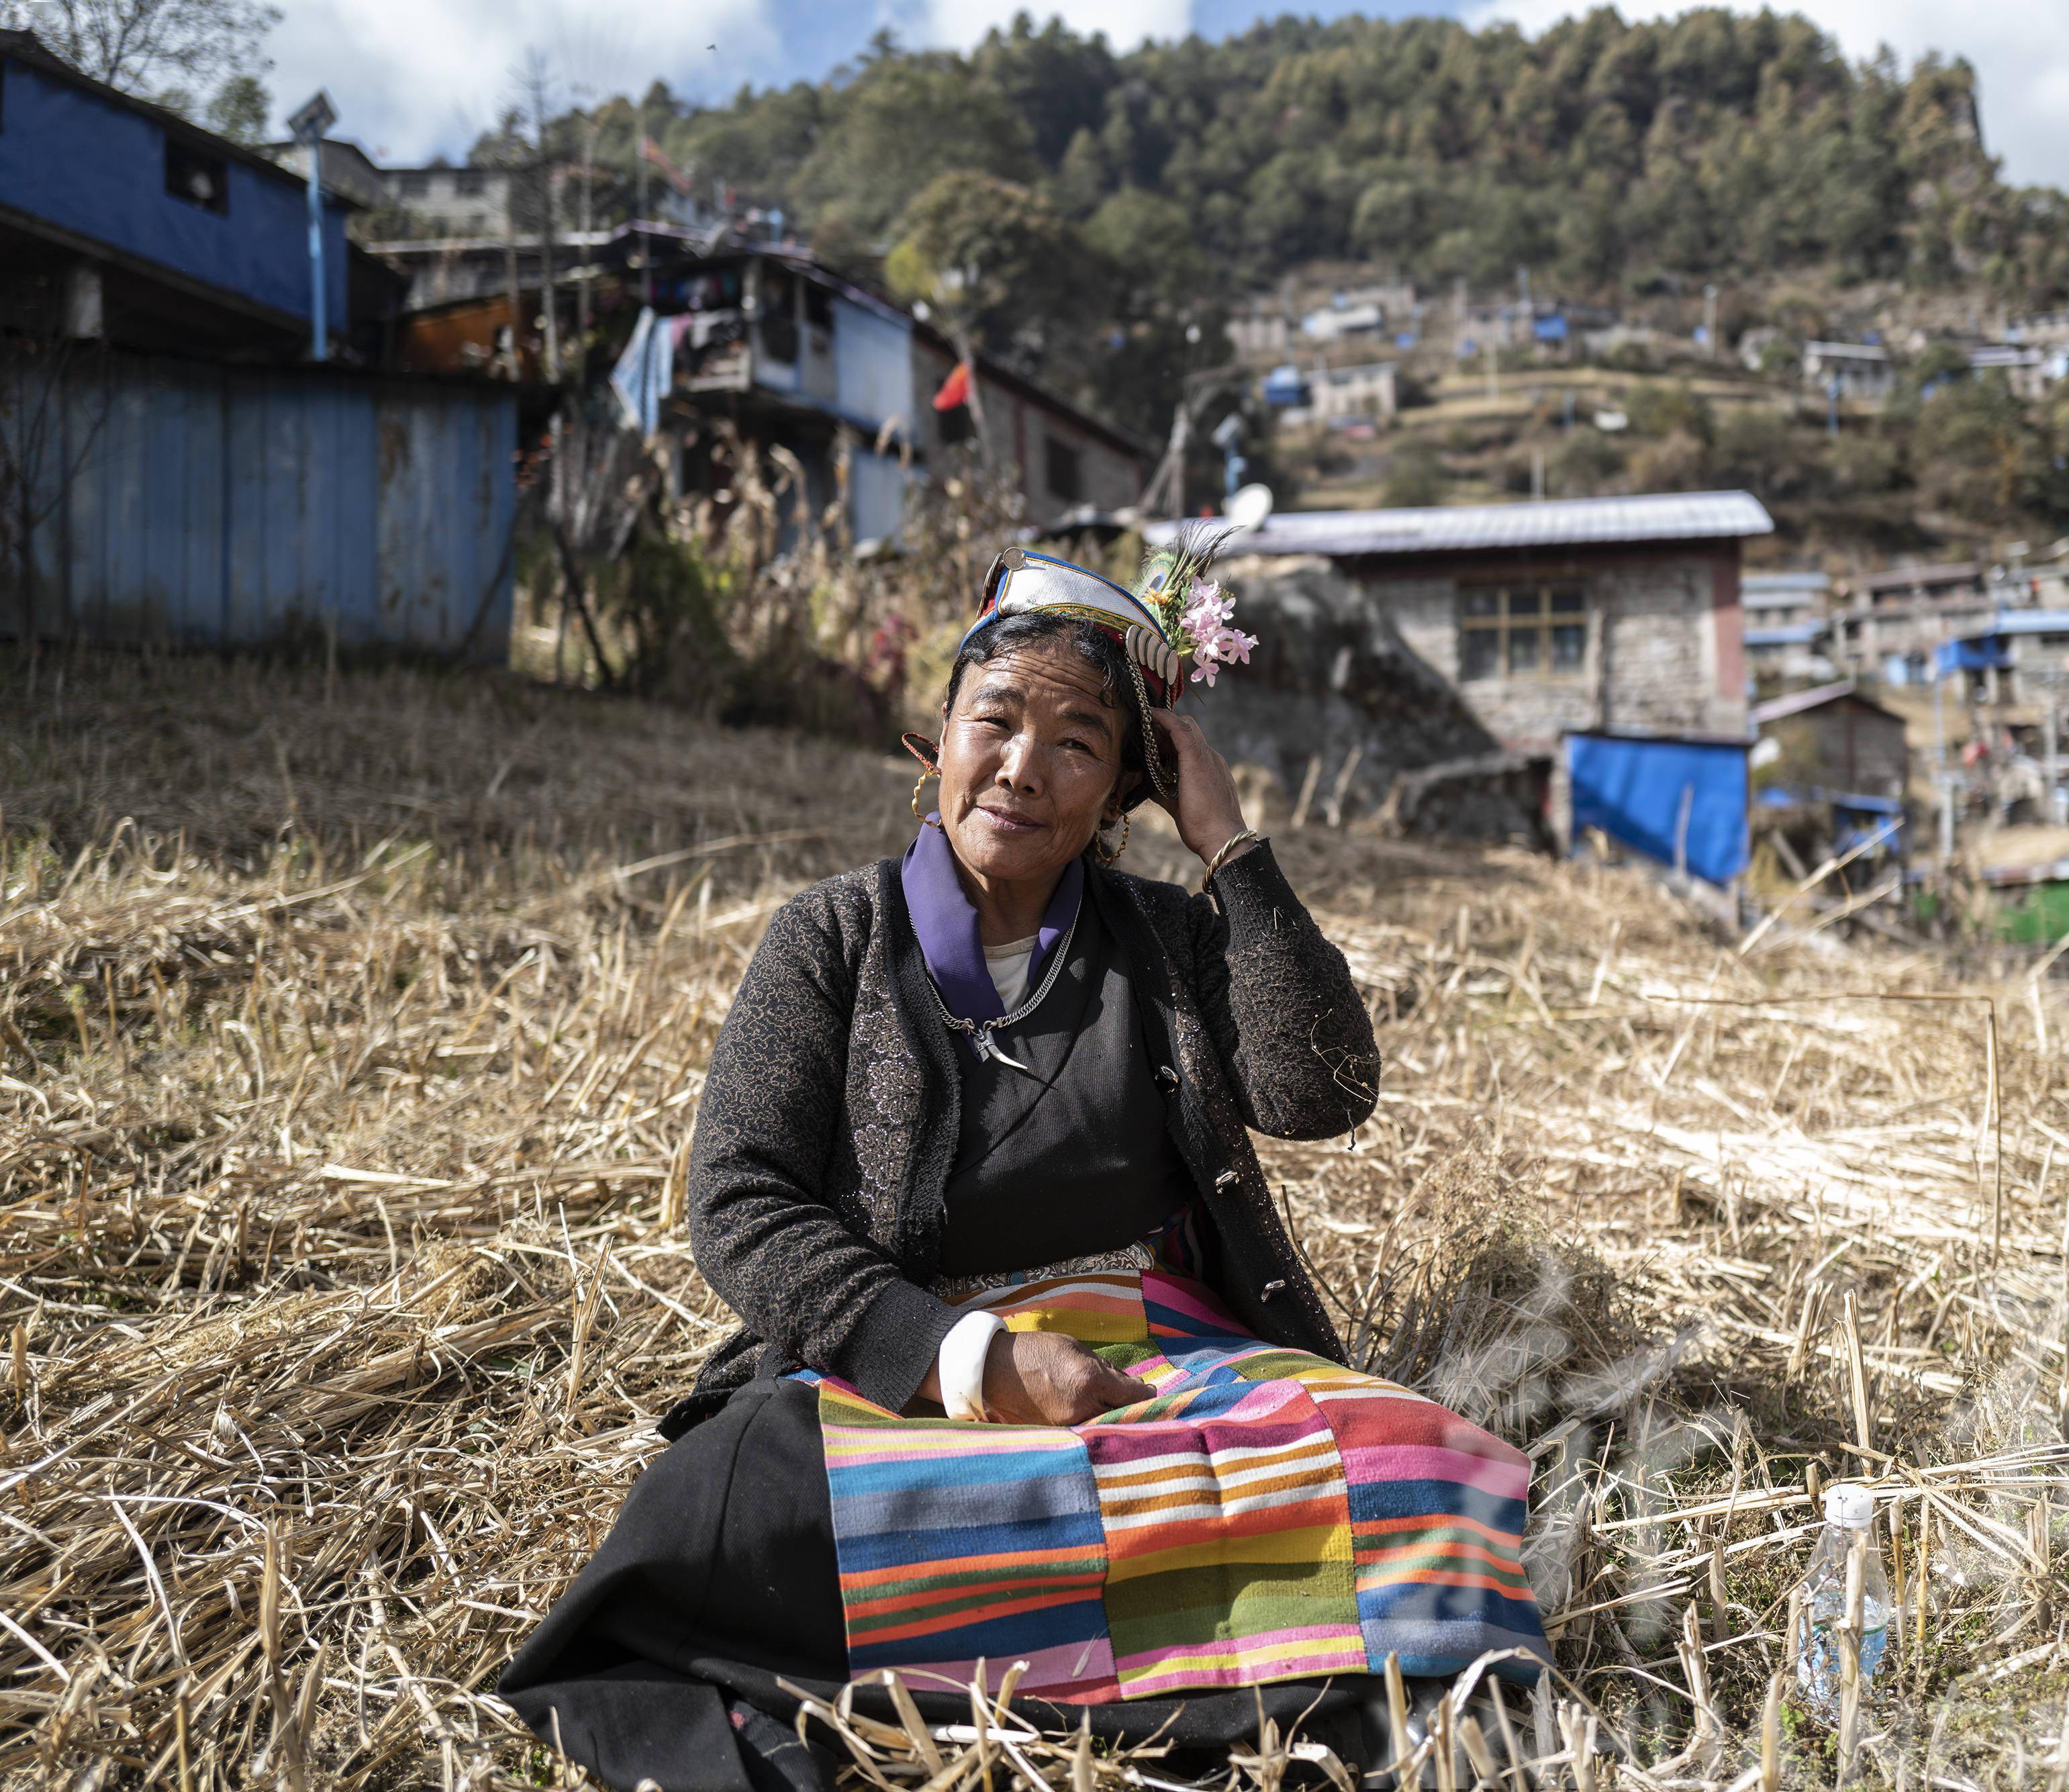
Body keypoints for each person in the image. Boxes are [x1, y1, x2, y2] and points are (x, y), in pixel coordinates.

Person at [501, 547, 1551, 1792]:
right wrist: (975, 1359)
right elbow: (740, 1201)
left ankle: (1154, 1682)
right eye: (994, 719)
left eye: (1077, 742)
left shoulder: (1161, 942)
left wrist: (1228, 846)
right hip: (898, 1374)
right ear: (931, 738)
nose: (1021, 766)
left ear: (1120, 790)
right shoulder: (831, 939)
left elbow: (1322, 1093)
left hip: (1155, 1369)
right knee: (728, 1503)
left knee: (1420, 1462)